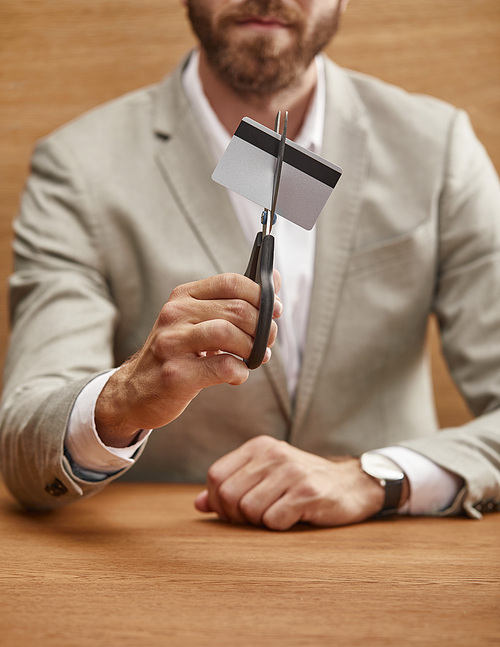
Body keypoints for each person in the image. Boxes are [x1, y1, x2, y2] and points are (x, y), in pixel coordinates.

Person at [1, 0, 499, 529]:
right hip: (174, 561)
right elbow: (25, 446)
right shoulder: (80, 168)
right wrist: (123, 398)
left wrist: (380, 477)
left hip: (394, 564)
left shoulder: (437, 150)